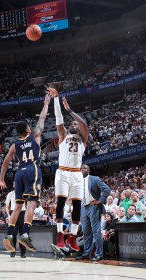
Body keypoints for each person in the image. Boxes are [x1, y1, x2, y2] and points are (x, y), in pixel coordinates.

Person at [0, 91, 50, 252]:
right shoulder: (36, 136)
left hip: (18, 173)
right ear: (27, 128)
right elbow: (42, 118)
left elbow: (5, 162)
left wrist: (1, 179)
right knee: (31, 204)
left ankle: (8, 236)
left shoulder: (14, 145)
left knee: (18, 206)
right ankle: (25, 234)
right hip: (32, 169)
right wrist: (46, 103)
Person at [47, 86, 89, 252]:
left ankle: (72, 237)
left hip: (77, 174)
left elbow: (84, 124)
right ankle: (59, 235)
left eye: (75, 124)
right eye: (71, 124)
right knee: (61, 201)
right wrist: (56, 99)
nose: (73, 125)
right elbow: (58, 119)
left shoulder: (83, 139)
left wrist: (70, 110)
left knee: (77, 206)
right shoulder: (63, 135)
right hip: (63, 171)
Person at [73, 164, 111, 261]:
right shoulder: (77, 181)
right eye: (81, 168)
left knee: (96, 232)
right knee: (86, 233)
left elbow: (107, 189)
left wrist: (99, 200)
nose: (82, 170)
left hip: (93, 206)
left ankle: (99, 254)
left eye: (85, 168)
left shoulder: (95, 179)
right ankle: (86, 253)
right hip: (83, 208)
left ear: (89, 170)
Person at [4, 189, 27, 258]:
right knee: (13, 233)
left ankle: (23, 253)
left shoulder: (25, 192)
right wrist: (8, 215)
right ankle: (12, 251)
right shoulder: (10, 194)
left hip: (22, 213)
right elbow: (7, 206)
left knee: (22, 234)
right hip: (13, 212)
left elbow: (29, 204)